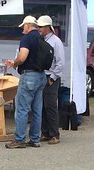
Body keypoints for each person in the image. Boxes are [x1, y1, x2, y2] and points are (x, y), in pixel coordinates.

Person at [2, 15, 46, 148]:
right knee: (37, 110)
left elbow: (22, 57)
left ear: (27, 25)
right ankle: (35, 139)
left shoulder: (27, 38)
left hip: (29, 76)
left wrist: (14, 63)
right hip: (41, 76)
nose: (22, 29)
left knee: (22, 109)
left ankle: (19, 139)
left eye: (23, 26)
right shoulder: (41, 38)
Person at [37, 15, 64, 145]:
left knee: (50, 105)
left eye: (41, 26)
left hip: (52, 76)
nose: (39, 28)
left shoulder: (56, 42)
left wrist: (53, 78)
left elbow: (60, 63)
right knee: (42, 105)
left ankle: (55, 134)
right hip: (44, 74)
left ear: (48, 27)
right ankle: (46, 132)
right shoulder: (43, 40)